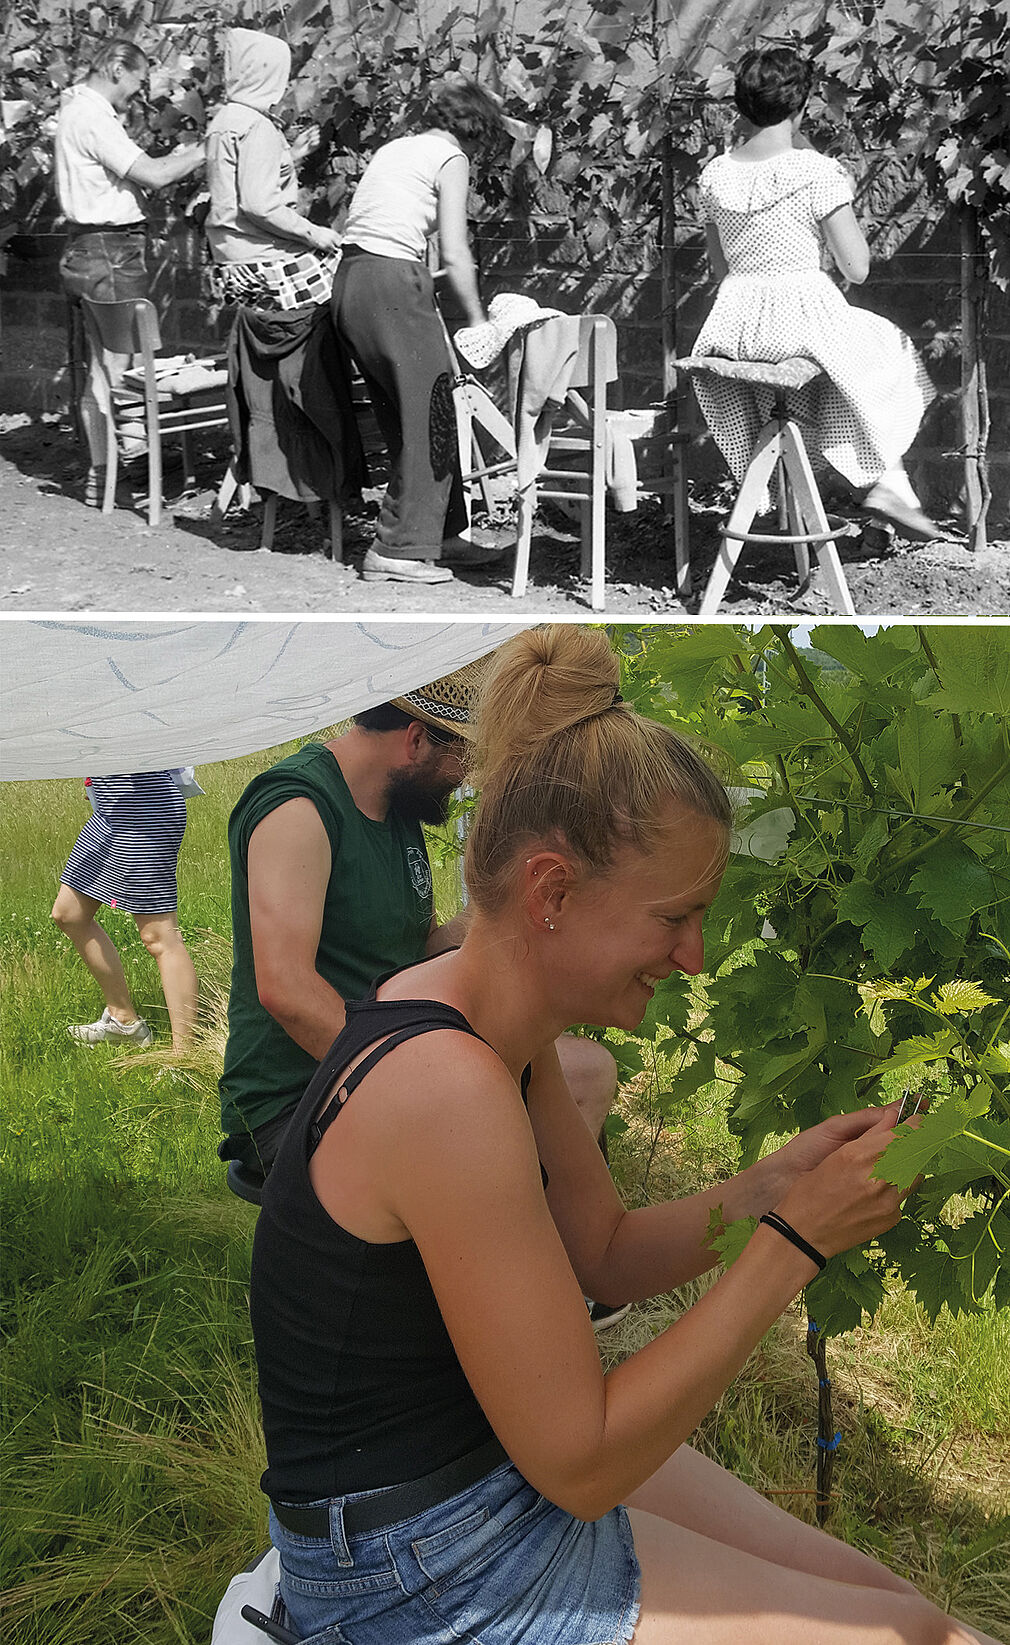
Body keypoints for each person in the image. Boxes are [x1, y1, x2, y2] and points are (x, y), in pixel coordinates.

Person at [248, 626, 996, 1645]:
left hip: (479, 1472)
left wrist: (778, 1181)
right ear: (552, 892)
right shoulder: (443, 1087)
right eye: (672, 918)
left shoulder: (487, 1025)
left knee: (909, 1611)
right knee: (917, 1641)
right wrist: (794, 1244)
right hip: (415, 1570)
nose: (692, 955)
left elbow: (603, 1250)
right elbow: (583, 1461)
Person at [218, 662, 617, 1183]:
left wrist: (501, 902)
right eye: (462, 757)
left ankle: (555, 1248)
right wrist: (420, 1071)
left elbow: (420, 951)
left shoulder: (397, 809)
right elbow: (286, 990)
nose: (464, 777)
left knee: (584, 1072)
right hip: (297, 1100)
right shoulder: (298, 808)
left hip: (382, 1057)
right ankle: (518, 1251)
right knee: (505, 1118)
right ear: (415, 740)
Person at [691, 45, 940, 541]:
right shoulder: (816, 172)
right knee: (888, 352)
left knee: (836, 371)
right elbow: (858, 268)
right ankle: (884, 479)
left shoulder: (716, 175)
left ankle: (854, 488)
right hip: (798, 314)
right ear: (800, 105)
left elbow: (721, 268)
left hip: (732, 322)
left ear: (742, 105)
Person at [331, 78, 508, 585]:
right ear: (477, 131)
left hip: (351, 282)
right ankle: (398, 549)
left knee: (408, 414)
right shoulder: (451, 159)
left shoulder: (398, 148)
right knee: (433, 413)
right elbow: (453, 249)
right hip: (390, 283)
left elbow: (377, 226)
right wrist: (477, 318)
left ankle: (443, 534)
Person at [204, 28, 366, 522]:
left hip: (235, 260)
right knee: (353, 293)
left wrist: (289, 157)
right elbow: (259, 204)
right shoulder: (254, 126)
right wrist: (316, 234)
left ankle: (293, 455)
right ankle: (337, 446)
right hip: (266, 257)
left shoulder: (226, 119)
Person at [53, 38, 207, 507]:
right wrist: (207, 150)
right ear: (117, 69)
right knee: (123, 368)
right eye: (137, 81)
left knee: (102, 367)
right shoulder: (94, 116)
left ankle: (105, 474)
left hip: (86, 246)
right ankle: (133, 470)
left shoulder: (74, 109)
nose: (137, 94)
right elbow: (154, 175)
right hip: (111, 249)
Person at [52, 768, 200, 1053]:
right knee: (69, 913)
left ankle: (185, 1056)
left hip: (146, 809)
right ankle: (123, 1021)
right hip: (111, 807)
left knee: (159, 937)